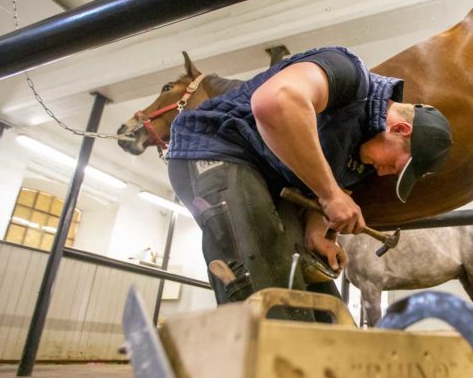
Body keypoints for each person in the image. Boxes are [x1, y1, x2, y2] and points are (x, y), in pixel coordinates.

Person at [165, 46, 452, 317]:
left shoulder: (363, 161)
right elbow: (275, 102)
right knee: (263, 282)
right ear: (400, 128)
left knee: (317, 299)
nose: (385, 173)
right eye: (396, 165)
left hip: (269, 182)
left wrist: (317, 233)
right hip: (217, 146)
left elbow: (323, 193)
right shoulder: (349, 74)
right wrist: (330, 194)